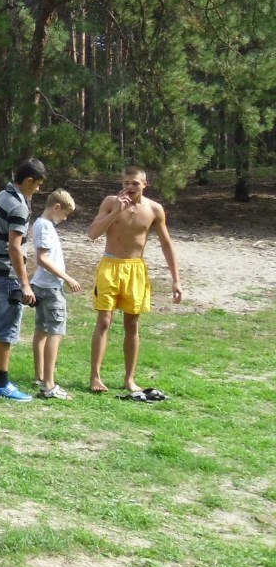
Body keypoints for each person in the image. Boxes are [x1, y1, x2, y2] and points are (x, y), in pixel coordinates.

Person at [87, 167, 183, 398]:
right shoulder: (111, 202)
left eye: (135, 184)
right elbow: (93, 233)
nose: (130, 187)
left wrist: (176, 280)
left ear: (145, 184)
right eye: (126, 183)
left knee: (132, 324)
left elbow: (166, 244)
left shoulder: (154, 209)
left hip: (135, 269)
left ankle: (129, 378)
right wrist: (115, 211)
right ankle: (95, 376)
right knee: (104, 321)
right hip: (110, 266)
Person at [0, 157, 47, 402]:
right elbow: (14, 246)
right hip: (6, 274)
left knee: (1, 326)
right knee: (6, 330)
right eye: (38, 184)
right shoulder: (19, 206)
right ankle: (1, 383)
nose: (39, 189)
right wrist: (24, 283)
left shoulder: (3, 194)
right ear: (28, 180)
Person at [31, 189, 83, 399]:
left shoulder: (44, 225)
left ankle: (40, 376)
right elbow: (42, 259)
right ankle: (49, 385)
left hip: (44, 285)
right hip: (50, 287)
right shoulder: (44, 226)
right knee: (55, 331)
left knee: (42, 330)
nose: (65, 218)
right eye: (65, 214)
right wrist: (68, 277)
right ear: (57, 207)